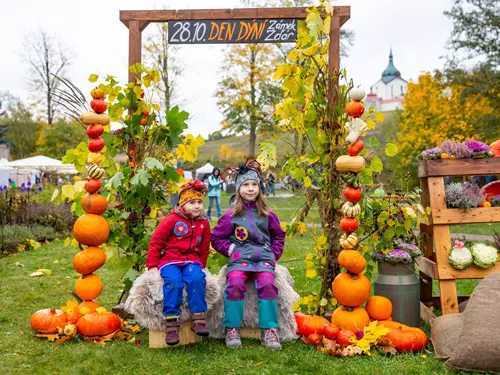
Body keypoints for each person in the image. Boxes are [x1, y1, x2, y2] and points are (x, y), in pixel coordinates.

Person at [211, 159, 286, 350]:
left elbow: (278, 235)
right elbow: (216, 237)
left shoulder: (267, 214)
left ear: (260, 188)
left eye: (254, 184)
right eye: (246, 185)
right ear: (238, 188)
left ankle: (269, 330)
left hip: (263, 261)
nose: (251, 189)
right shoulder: (230, 215)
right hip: (240, 260)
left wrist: (274, 254)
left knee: (268, 284)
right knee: (234, 284)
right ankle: (232, 328)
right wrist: (230, 249)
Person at [146, 180, 211, 346]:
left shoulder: (203, 223)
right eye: (192, 203)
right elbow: (156, 242)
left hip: (192, 261)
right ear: (182, 205)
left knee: (196, 278)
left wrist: (201, 264)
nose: (197, 206)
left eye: (199, 202)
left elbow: (204, 246)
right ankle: (171, 323)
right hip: (170, 261)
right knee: (174, 282)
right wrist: (152, 265)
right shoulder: (171, 220)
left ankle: (198, 318)